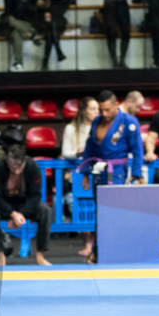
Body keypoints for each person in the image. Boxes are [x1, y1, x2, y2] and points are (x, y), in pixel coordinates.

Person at [0, 143, 52, 267]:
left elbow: (35, 195)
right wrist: (11, 214)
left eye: (19, 167)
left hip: (25, 204)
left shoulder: (32, 167)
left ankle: (40, 255)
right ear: (7, 162)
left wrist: (21, 214)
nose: (16, 171)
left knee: (45, 211)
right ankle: (0, 255)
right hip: (4, 204)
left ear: (24, 161)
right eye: (13, 167)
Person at [60, 96, 99, 256]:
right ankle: (88, 244)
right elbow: (65, 152)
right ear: (84, 110)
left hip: (97, 172)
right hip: (78, 174)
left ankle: (95, 244)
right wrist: (79, 153)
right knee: (82, 207)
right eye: (93, 108)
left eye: (97, 108)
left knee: (96, 206)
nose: (97, 111)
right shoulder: (71, 128)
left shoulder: (100, 126)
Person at [84, 89, 145, 184]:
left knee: (115, 194)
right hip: (98, 170)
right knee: (97, 194)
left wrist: (136, 174)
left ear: (116, 105)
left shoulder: (128, 121)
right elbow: (89, 147)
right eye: (101, 110)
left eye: (107, 110)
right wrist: (85, 172)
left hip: (117, 171)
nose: (104, 114)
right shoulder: (96, 121)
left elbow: (137, 149)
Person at [1, 0, 40, 72]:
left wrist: (47, 0)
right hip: (11, 24)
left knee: (16, 34)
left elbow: (40, 4)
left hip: (24, 24)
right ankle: (31, 33)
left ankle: (19, 64)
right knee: (9, 19)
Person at [40, 0, 74, 70]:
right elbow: (46, 8)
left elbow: (63, 9)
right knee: (50, 31)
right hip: (49, 21)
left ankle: (45, 61)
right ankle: (59, 52)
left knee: (49, 34)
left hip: (59, 21)